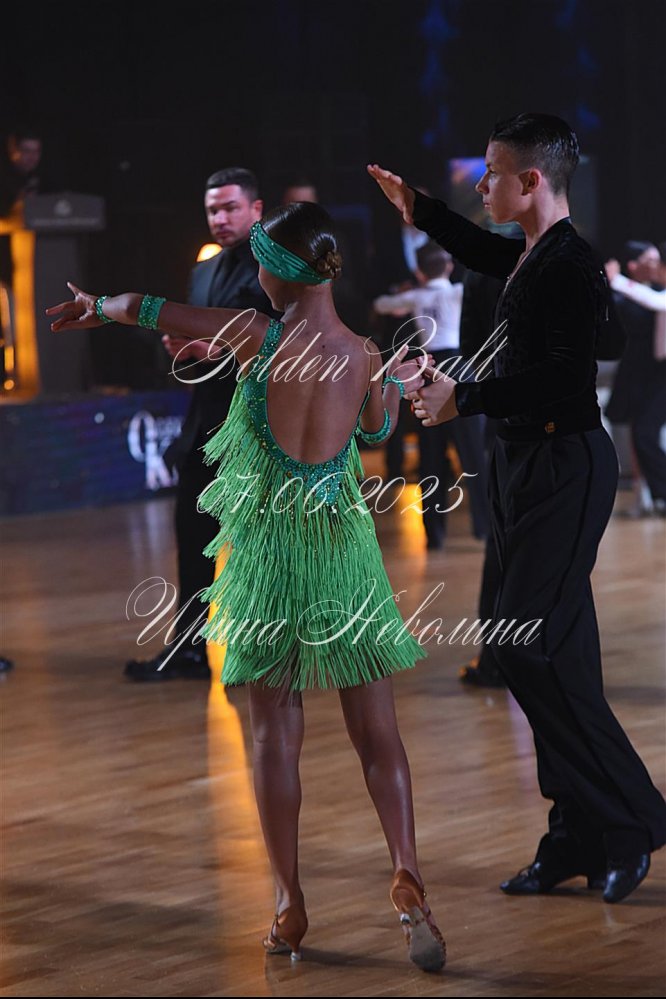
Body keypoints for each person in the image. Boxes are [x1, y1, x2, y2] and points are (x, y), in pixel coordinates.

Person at [46, 201, 446, 972]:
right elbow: (374, 431)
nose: (254, 270)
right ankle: (408, 877)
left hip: (270, 557)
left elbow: (148, 308)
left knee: (273, 736)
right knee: (378, 734)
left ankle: (289, 903)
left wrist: (96, 304)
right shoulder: (362, 351)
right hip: (344, 554)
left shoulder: (255, 334)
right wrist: (396, 383)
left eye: (261, 258)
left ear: (281, 272)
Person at [367, 111, 666, 904]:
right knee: (555, 655)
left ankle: (632, 819)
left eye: (493, 173)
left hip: (564, 467)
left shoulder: (569, 261)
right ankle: (573, 831)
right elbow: (481, 249)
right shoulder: (534, 253)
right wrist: (419, 208)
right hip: (523, 465)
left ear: (531, 181)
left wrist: (464, 396)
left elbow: (568, 378)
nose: (483, 185)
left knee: (526, 648)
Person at [125, 167, 280, 681]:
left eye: (230, 207)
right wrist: (181, 352)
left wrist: (218, 350)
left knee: (258, 546)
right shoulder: (202, 272)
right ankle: (189, 649)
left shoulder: (278, 269)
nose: (220, 218)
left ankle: (264, 652)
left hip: (258, 431)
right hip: (204, 427)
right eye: (213, 209)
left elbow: (287, 346)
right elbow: (192, 354)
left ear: (256, 209)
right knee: (192, 539)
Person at [374, 241, 489, 548]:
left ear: (420, 272)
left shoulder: (416, 296)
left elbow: (381, 304)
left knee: (431, 454)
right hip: (460, 369)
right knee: (473, 452)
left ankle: (434, 534)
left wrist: (403, 294)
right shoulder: (458, 292)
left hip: (429, 369)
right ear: (449, 267)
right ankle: (485, 528)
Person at [605, 245, 666, 517]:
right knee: (642, 432)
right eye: (649, 260)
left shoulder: (656, 296)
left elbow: (656, 302)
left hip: (659, 374)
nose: (653, 267)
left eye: (657, 262)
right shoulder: (650, 293)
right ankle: (652, 495)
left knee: (644, 432)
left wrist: (616, 279)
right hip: (651, 374)